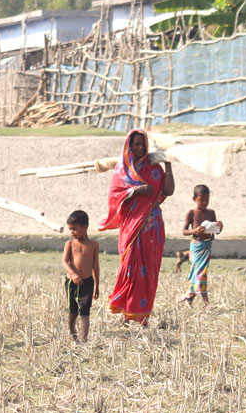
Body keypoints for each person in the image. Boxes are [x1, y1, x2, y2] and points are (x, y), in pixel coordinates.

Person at [99, 129, 174, 325]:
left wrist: (168, 164)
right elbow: (114, 195)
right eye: (137, 144)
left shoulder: (154, 169)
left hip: (153, 227)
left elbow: (168, 191)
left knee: (148, 271)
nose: (140, 148)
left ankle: (142, 316)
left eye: (143, 144)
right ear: (130, 146)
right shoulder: (122, 170)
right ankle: (126, 312)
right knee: (129, 267)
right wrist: (135, 190)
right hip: (131, 225)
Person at [182, 184, 223, 308]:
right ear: (194, 199)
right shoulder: (191, 213)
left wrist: (220, 227)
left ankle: (190, 295)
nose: (205, 203)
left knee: (200, 272)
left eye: (207, 200)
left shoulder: (211, 213)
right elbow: (184, 231)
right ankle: (206, 302)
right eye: (201, 200)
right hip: (196, 246)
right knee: (199, 272)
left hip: (206, 246)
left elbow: (216, 231)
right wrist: (195, 231)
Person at [62, 210, 100, 342]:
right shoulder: (70, 244)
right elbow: (64, 262)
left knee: (85, 311)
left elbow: (95, 265)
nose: (72, 232)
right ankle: (73, 334)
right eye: (70, 229)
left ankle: (84, 340)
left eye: (74, 229)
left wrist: (96, 285)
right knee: (73, 311)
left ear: (85, 227)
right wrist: (72, 274)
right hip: (71, 283)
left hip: (87, 282)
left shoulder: (94, 245)